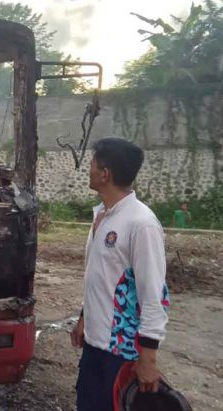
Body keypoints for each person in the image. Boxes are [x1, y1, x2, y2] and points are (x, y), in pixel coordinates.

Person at [70, 138, 170, 411]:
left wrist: (148, 357)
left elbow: (154, 294)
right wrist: (84, 318)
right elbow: (101, 277)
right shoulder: (103, 216)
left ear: (105, 174)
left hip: (122, 352)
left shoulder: (141, 224)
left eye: (92, 164)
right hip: (94, 344)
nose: (87, 169)